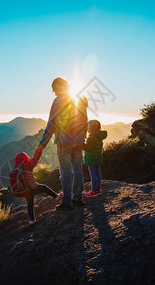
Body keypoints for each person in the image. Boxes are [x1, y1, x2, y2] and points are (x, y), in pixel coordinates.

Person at [38, 77, 88, 211]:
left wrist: (43, 142)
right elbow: (85, 119)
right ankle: (77, 199)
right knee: (78, 170)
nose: (54, 92)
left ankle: (67, 202)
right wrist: (83, 136)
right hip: (78, 141)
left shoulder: (58, 101)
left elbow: (52, 123)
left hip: (64, 142)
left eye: (54, 89)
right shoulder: (78, 99)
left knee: (65, 173)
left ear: (56, 88)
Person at [11, 147, 63, 225]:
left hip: (25, 191)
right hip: (33, 187)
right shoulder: (27, 165)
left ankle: (31, 220)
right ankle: (56, 197)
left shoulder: (16, 169)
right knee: (44, 187)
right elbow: (35, 159)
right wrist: (39, 149)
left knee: (30, 204)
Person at [83, 120, 107, 197]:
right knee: (97, 174)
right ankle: (98, 189)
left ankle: (93, 191)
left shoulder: (91, 138)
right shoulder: (99, 136)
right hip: (97, 158)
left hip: (91, 159)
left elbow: (88, 148)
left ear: (91, 128)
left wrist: (81, 145)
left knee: (93, 175)